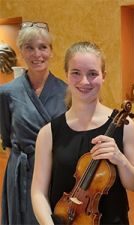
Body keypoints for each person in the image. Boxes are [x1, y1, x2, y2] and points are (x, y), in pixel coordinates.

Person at [31, 41, 134, 225]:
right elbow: (38, 192)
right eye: (76, 73)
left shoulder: (125, 125)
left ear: (103, 76)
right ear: (66, 74)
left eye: (92, 74)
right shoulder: (48, 133)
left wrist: (120, 159)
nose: (84, 81)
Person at [0, 21, 67, 225]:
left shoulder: (67, 92)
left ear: (51, 51)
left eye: (42, 47)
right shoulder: (6, 92)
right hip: (21, 171)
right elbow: (7, 138)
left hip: (54, 171)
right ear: (21, 51)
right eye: (29, 48)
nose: (37, 54)